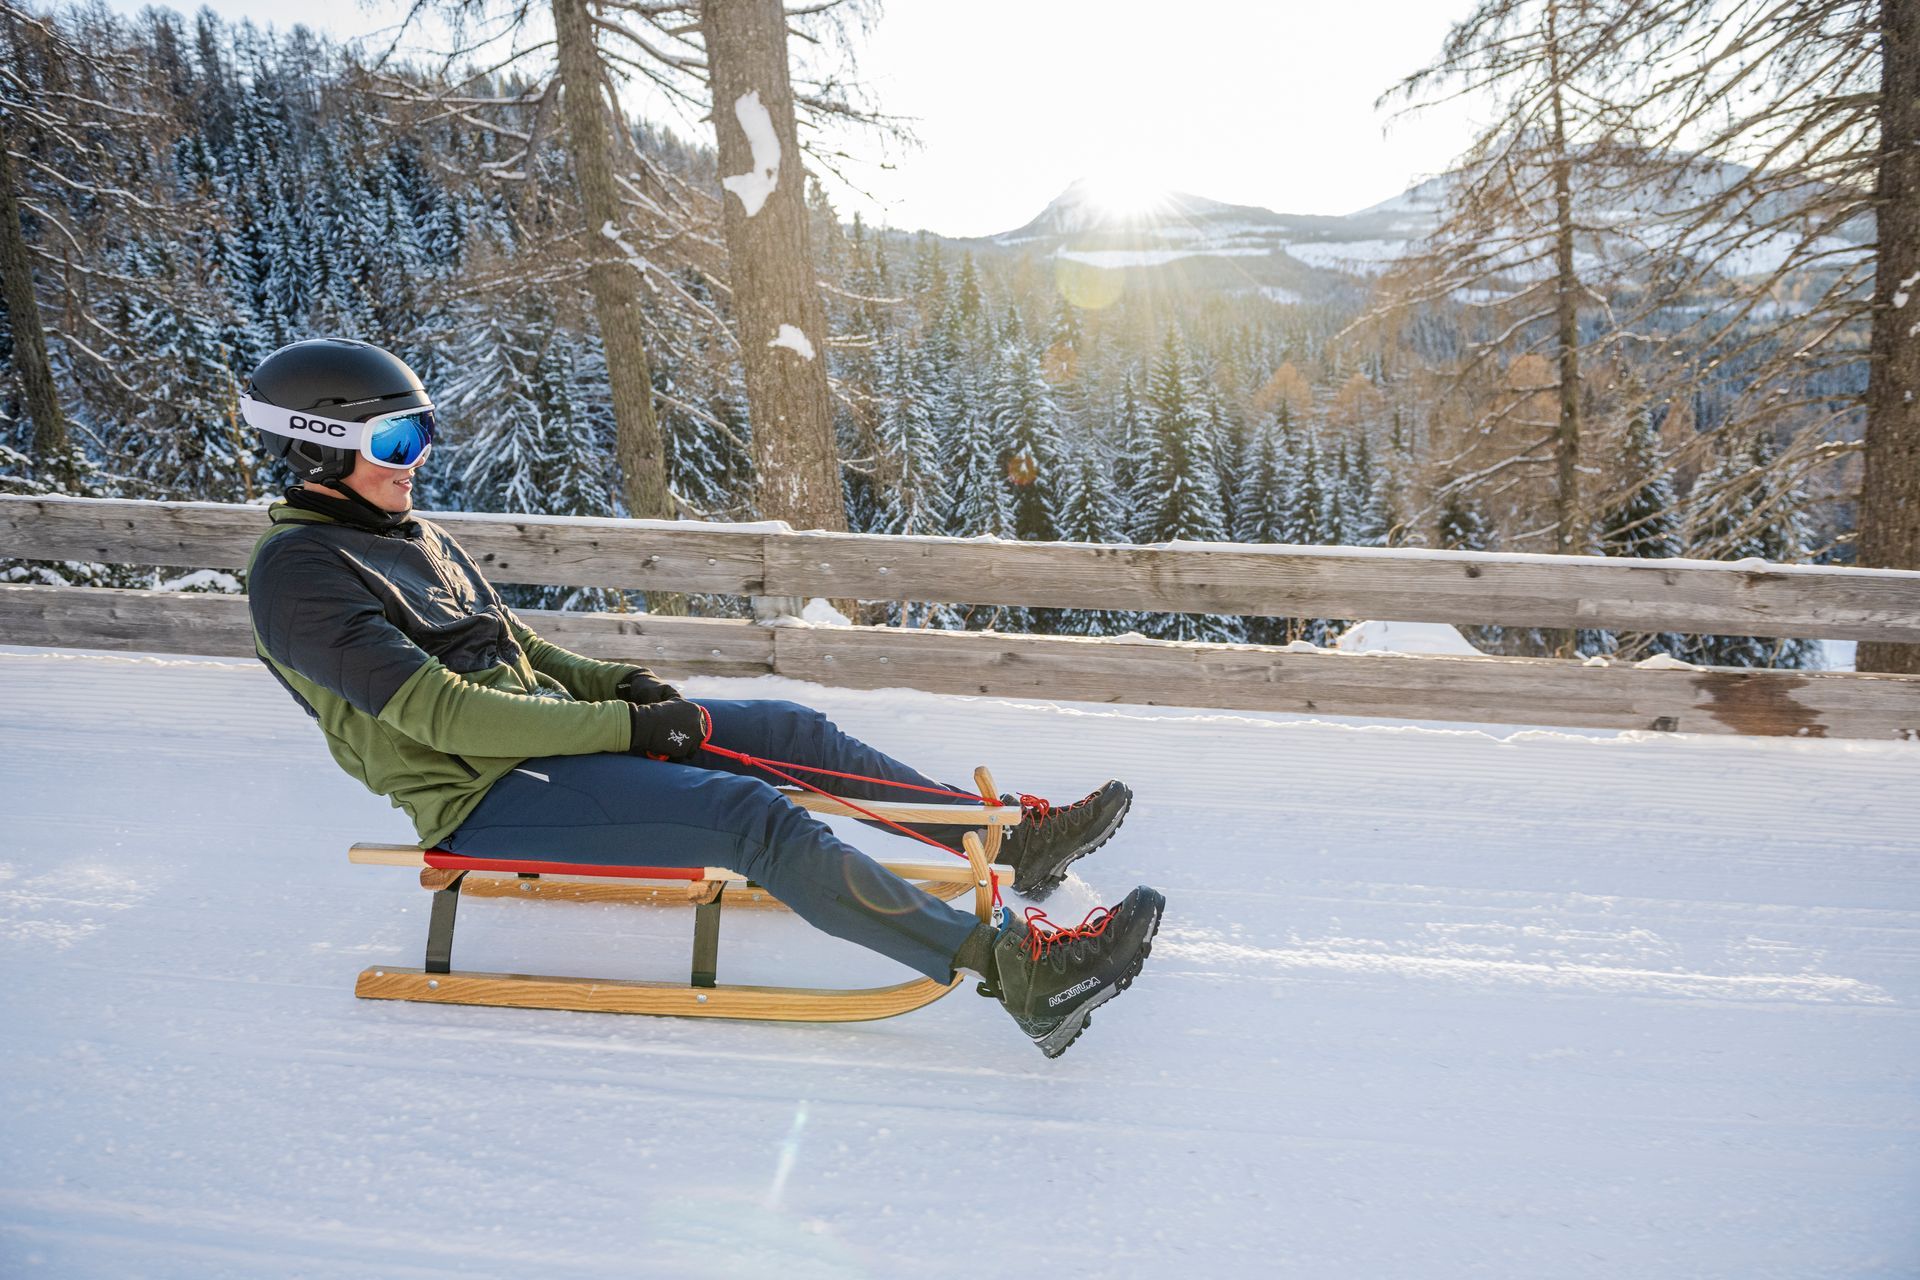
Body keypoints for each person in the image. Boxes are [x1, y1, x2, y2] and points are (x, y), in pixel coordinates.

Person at [242, 337, 1164, 1058]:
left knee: (787, 730)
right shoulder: (298, 575)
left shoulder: (405, 530)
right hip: (486, 796)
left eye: (423, 433)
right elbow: (440, 713)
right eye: (396, 441)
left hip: (557, 747)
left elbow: (512, 646)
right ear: (315, 451)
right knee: (746, 815)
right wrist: (632, 726)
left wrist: (622, 688)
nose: (417, 460)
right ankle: (1016, 968)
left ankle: (1002, 836)